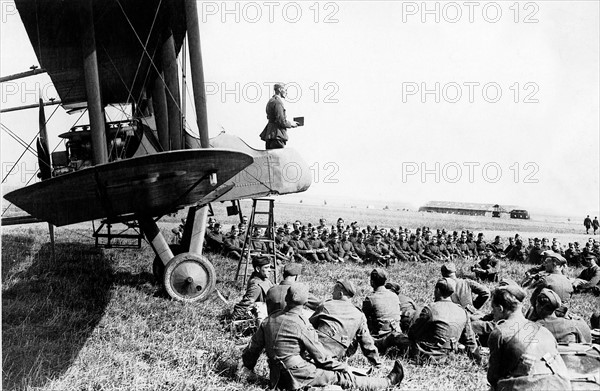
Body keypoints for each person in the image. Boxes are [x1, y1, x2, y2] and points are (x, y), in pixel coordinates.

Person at [240, 283, 405, 390]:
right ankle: (387, 383)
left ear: (287, 298)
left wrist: (248, 368)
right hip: (297, 375)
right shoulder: (303, 325)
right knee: (344, 379)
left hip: (276, 376)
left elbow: (252, 351)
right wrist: (343, 368)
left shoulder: (269, 320)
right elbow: (321, 358)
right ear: (305, 303)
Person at [487, 285, 572, 391]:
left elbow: (493, 378)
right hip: (561, 386)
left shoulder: (500, 332)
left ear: (500, 308)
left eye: (493, 308)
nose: (492, 312)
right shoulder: (544, 331)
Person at [309, 280, 382, 367]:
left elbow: (308, 326)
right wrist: (377, 363)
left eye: (334, 291)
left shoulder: (326, 306)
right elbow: (367, 342)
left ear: (340, 294)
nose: (332, 293)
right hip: (336, 358)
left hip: (315, 352)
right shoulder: (359, 315)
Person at [407, 278, 481, 363]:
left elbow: (413, 333)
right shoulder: (462, 311)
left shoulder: (431, 309)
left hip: (428, 356)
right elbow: (470, 340)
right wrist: (477, 361)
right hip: (450, 357)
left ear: (437, 290)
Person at [362, 269, 402, 347]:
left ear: (372, 282)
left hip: (380, 337)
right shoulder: (394, 295)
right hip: (397, 332)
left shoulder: (371, 299)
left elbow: (363, 320)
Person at [259, 83, 298, 150]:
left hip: (270, 135)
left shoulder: (271, 101)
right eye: (285, 90)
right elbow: (281, 121)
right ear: (280, 89)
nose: (286, 92)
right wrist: (291, 124)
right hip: (277, 135)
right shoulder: (278, 102)